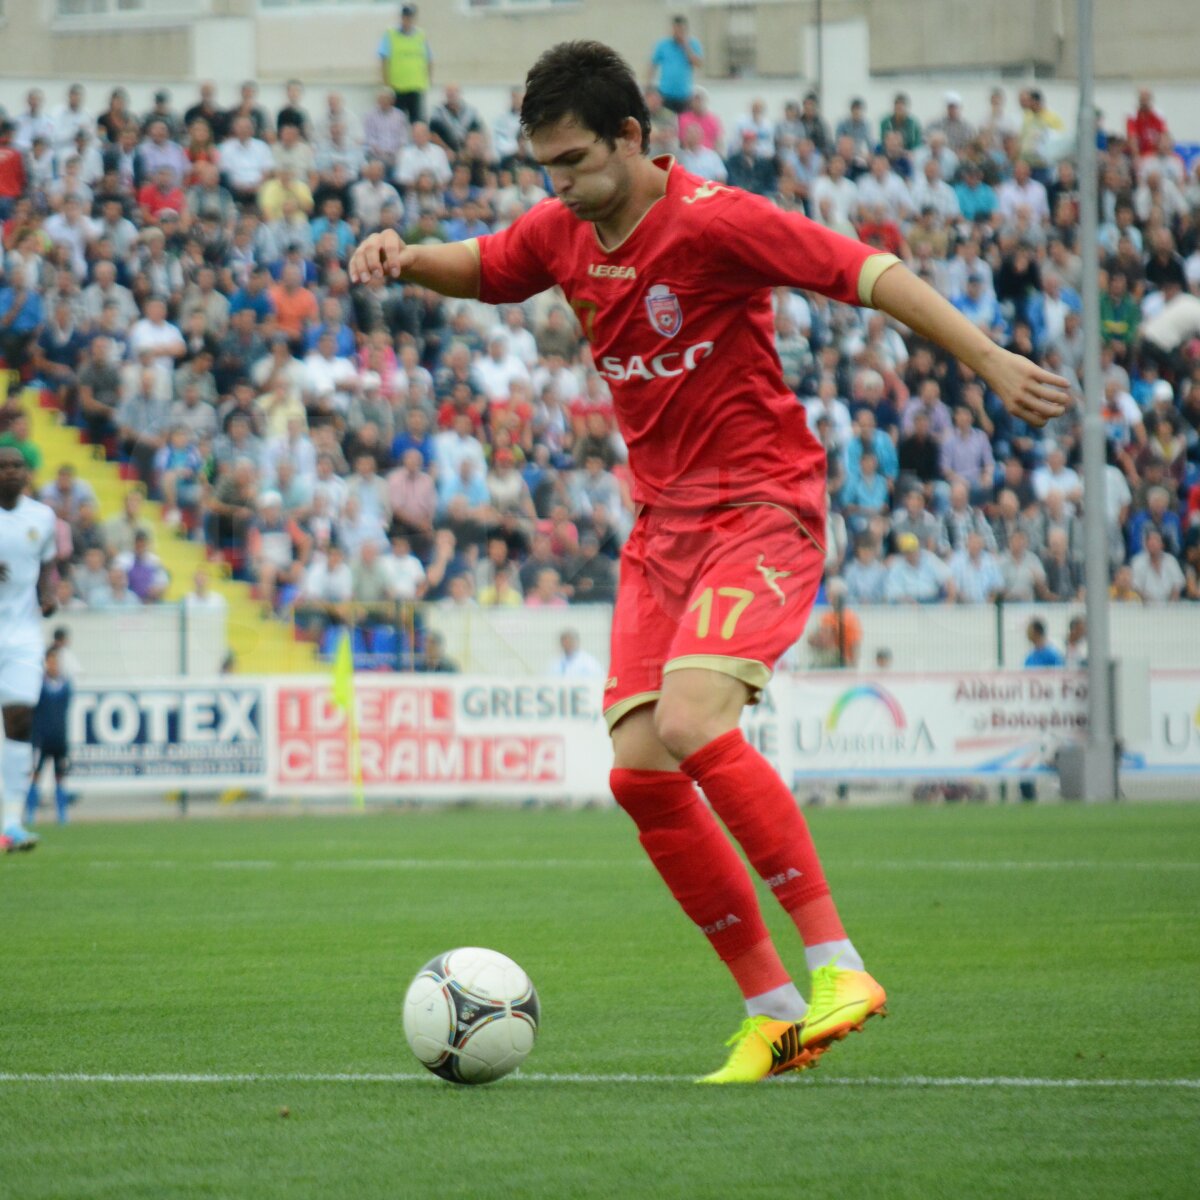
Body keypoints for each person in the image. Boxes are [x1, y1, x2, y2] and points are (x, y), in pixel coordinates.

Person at [349, 40, 1068, 1085]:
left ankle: (839, 966)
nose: (559, 185)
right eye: (545, 167)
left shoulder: (717, 219)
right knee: (640, 771)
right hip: (662, 536)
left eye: (575, 161)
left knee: (691, 725)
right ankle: (775, 1011)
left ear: (632, 138)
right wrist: (409, 255)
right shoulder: (563, 230)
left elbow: (869, 273)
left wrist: (990, 359)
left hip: (762, 510)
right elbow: (492, 268)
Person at [0, 446, 58, 851]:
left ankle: (13, 821)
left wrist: (49, 592)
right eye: (2, 466)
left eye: (17, 465)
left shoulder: (42, 517)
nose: (10, 471)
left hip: (22, 634)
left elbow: (48, 563)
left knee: (19, 719)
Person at [25, 647, 72, 826]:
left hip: (59, 739)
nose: (53, 665)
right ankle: (30, 814)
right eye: (50, 661)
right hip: (41, 739)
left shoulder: (66, 685)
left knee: (60, 777)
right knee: (35, 775)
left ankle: (62, 815)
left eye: (55, 662)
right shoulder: (37, 685)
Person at [379, 4, 433, 126]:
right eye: (405, 17)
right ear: (401, 17)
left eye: (410, 17)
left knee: (418, 122)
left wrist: (429, 81)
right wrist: (386, 86)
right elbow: (384, 60)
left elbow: (429, 59)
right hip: (397, 88)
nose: (407, 20)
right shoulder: (390, 34)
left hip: (416, 87)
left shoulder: (421, 35)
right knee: (396, 122)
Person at [648, 15, 703, 115]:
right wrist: (649, 87)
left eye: (681, 29)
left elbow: (698, 64)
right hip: (665, 94)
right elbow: (652, 65)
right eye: (675, 29)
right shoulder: (663, 45)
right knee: (667, 124)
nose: (678, 32)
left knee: (683, 124)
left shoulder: (693, 44)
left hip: (684, 95)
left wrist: (686, 46)